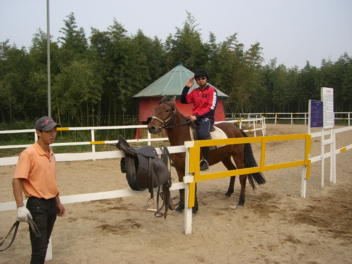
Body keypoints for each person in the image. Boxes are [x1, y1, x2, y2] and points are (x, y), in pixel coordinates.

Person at [12, 116, 65, 263]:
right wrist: (20, 206)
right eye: (48, 131)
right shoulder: (29, 154)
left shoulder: (51, 154)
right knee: (39, 251)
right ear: (39, 133)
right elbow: (17, 179)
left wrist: (57, 202)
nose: (53, 134)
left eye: (54, 130)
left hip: (50, 205)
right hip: (38, 206)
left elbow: (50, 181)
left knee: (44, 246)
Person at [181, 69, 218, 170]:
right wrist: (186, 87)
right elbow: (183, 100)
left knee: (202, 134)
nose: (200, 80)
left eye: (203, 78)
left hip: (207, 118)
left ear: (206, 79)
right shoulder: (194, 91)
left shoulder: (212, 91)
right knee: (184, 132)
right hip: (195, 118)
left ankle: (205, 160)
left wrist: (197, 116)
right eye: (198, 79)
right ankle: (183, 158)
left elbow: (211, 108)